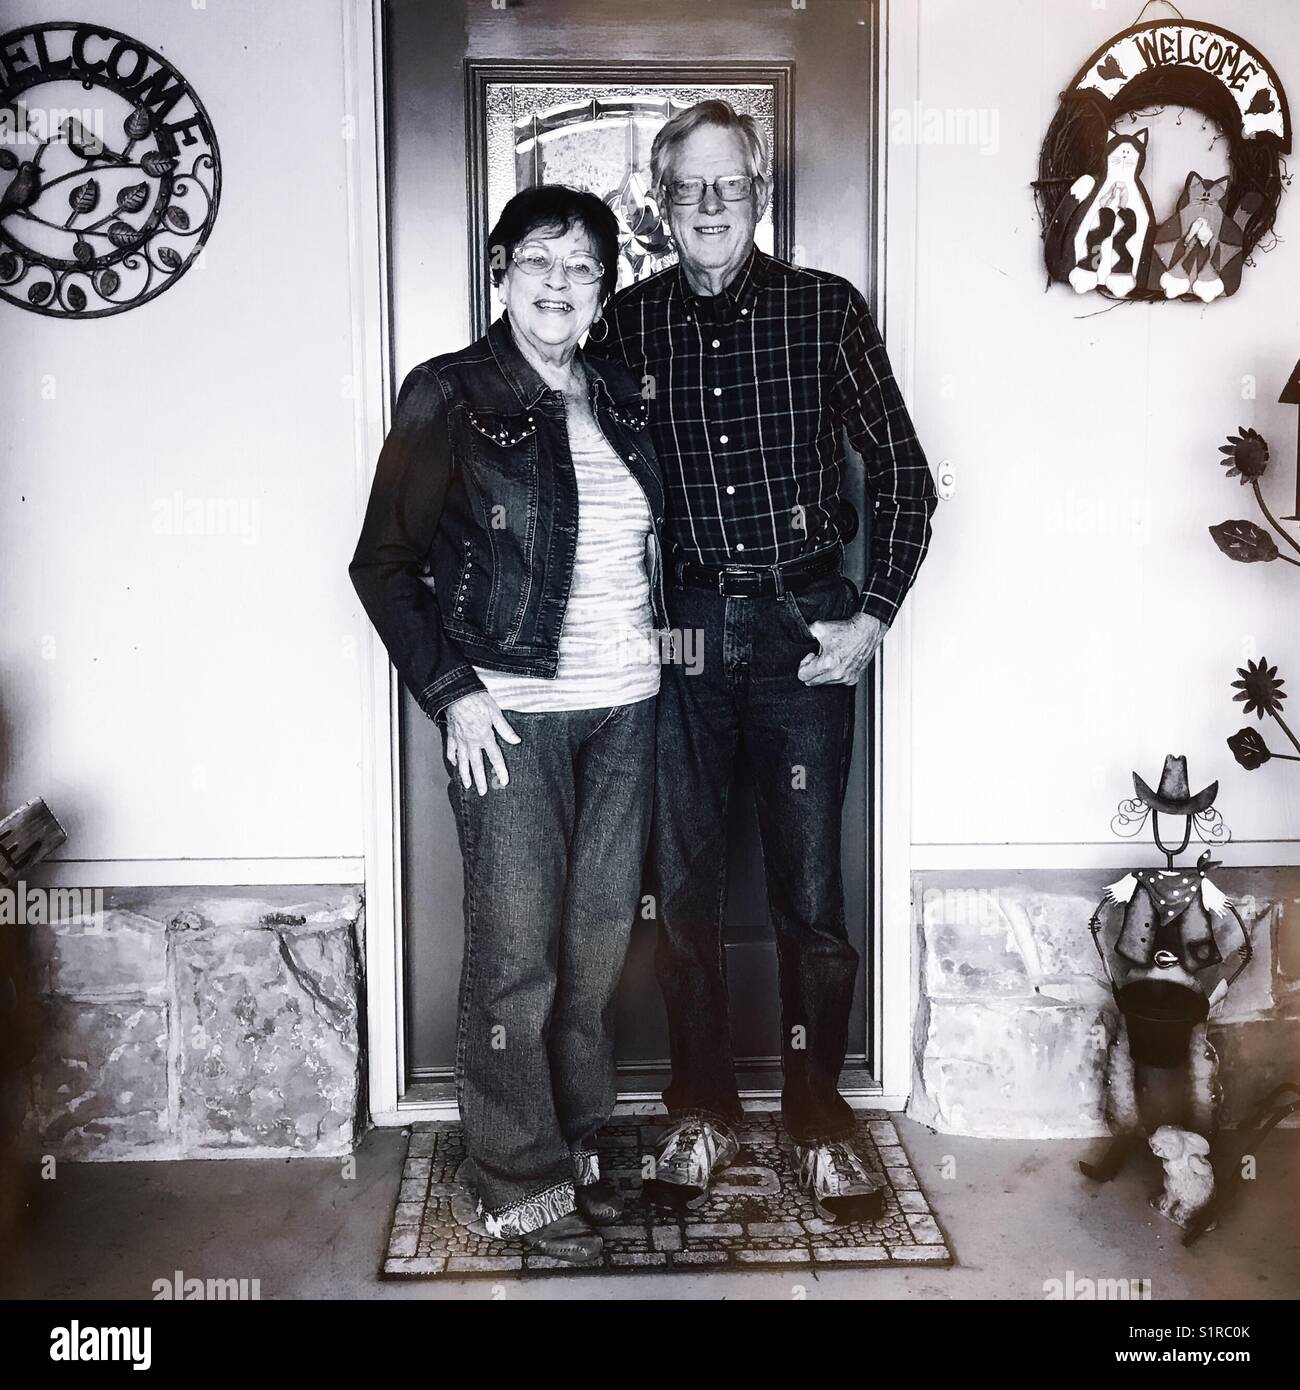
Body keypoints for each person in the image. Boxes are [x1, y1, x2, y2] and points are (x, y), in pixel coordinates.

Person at [587, 100, 940, 1221]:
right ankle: (697, 1106)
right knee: (679, 891)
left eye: (727, 186)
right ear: (657, 201)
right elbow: (578, 484)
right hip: (683, 627)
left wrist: (870, 616)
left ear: (758, 193)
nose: (707, 207)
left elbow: (902, 479)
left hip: (802, 633)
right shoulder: (624, 327)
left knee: (807, 895)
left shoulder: (824, 311)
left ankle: (817, 1115)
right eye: (686, 187)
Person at [350, 185, 668, 1264]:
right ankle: (514, 1174)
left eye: (583, 266)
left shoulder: (621, 392)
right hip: (511, 715)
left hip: (626, 705)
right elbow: (382, 565)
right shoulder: (447, 392)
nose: (559, 283)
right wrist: (455, 691)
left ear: (604, 288)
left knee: (594, 948)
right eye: (538, 258)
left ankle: (573, 1133)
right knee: (514, 953)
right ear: (499, 270)